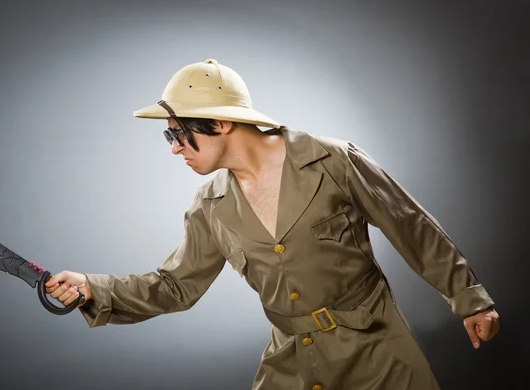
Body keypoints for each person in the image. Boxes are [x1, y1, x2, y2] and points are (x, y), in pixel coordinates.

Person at [45, 59, 500, 389]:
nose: (174, 148)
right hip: (292, 363)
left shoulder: (333, 160)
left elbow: (409, 225)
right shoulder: (210, 205)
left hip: (378, 355)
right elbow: (174, 287)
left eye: (178, 132)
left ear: (221, 123)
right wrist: (92, 287)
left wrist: (469, 299)